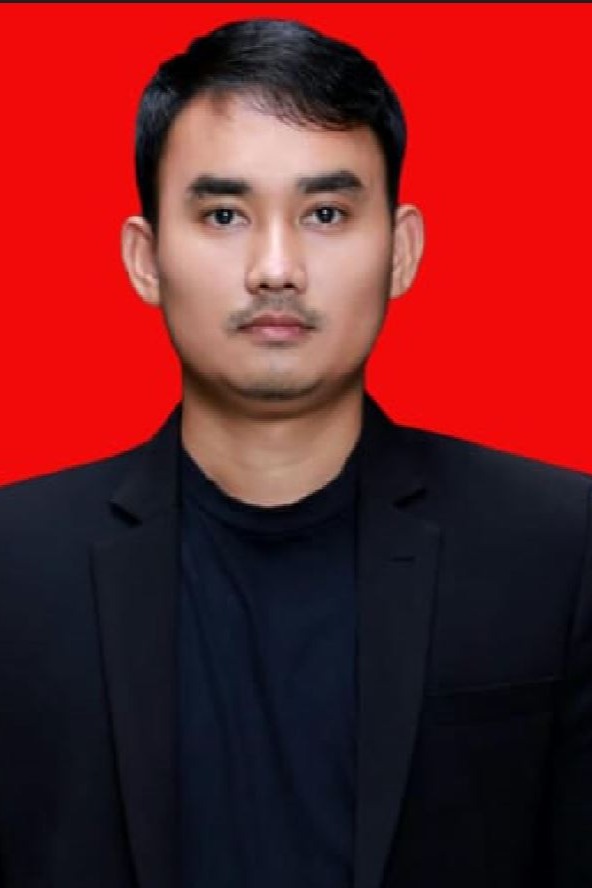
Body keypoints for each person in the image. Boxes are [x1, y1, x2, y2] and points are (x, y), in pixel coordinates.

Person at [0, 16, 590, 888]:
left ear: (401, 250)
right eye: (224, 214)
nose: (276, 269)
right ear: (146, 258)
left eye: (325, 214)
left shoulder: (559, 546)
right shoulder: (14, 564)